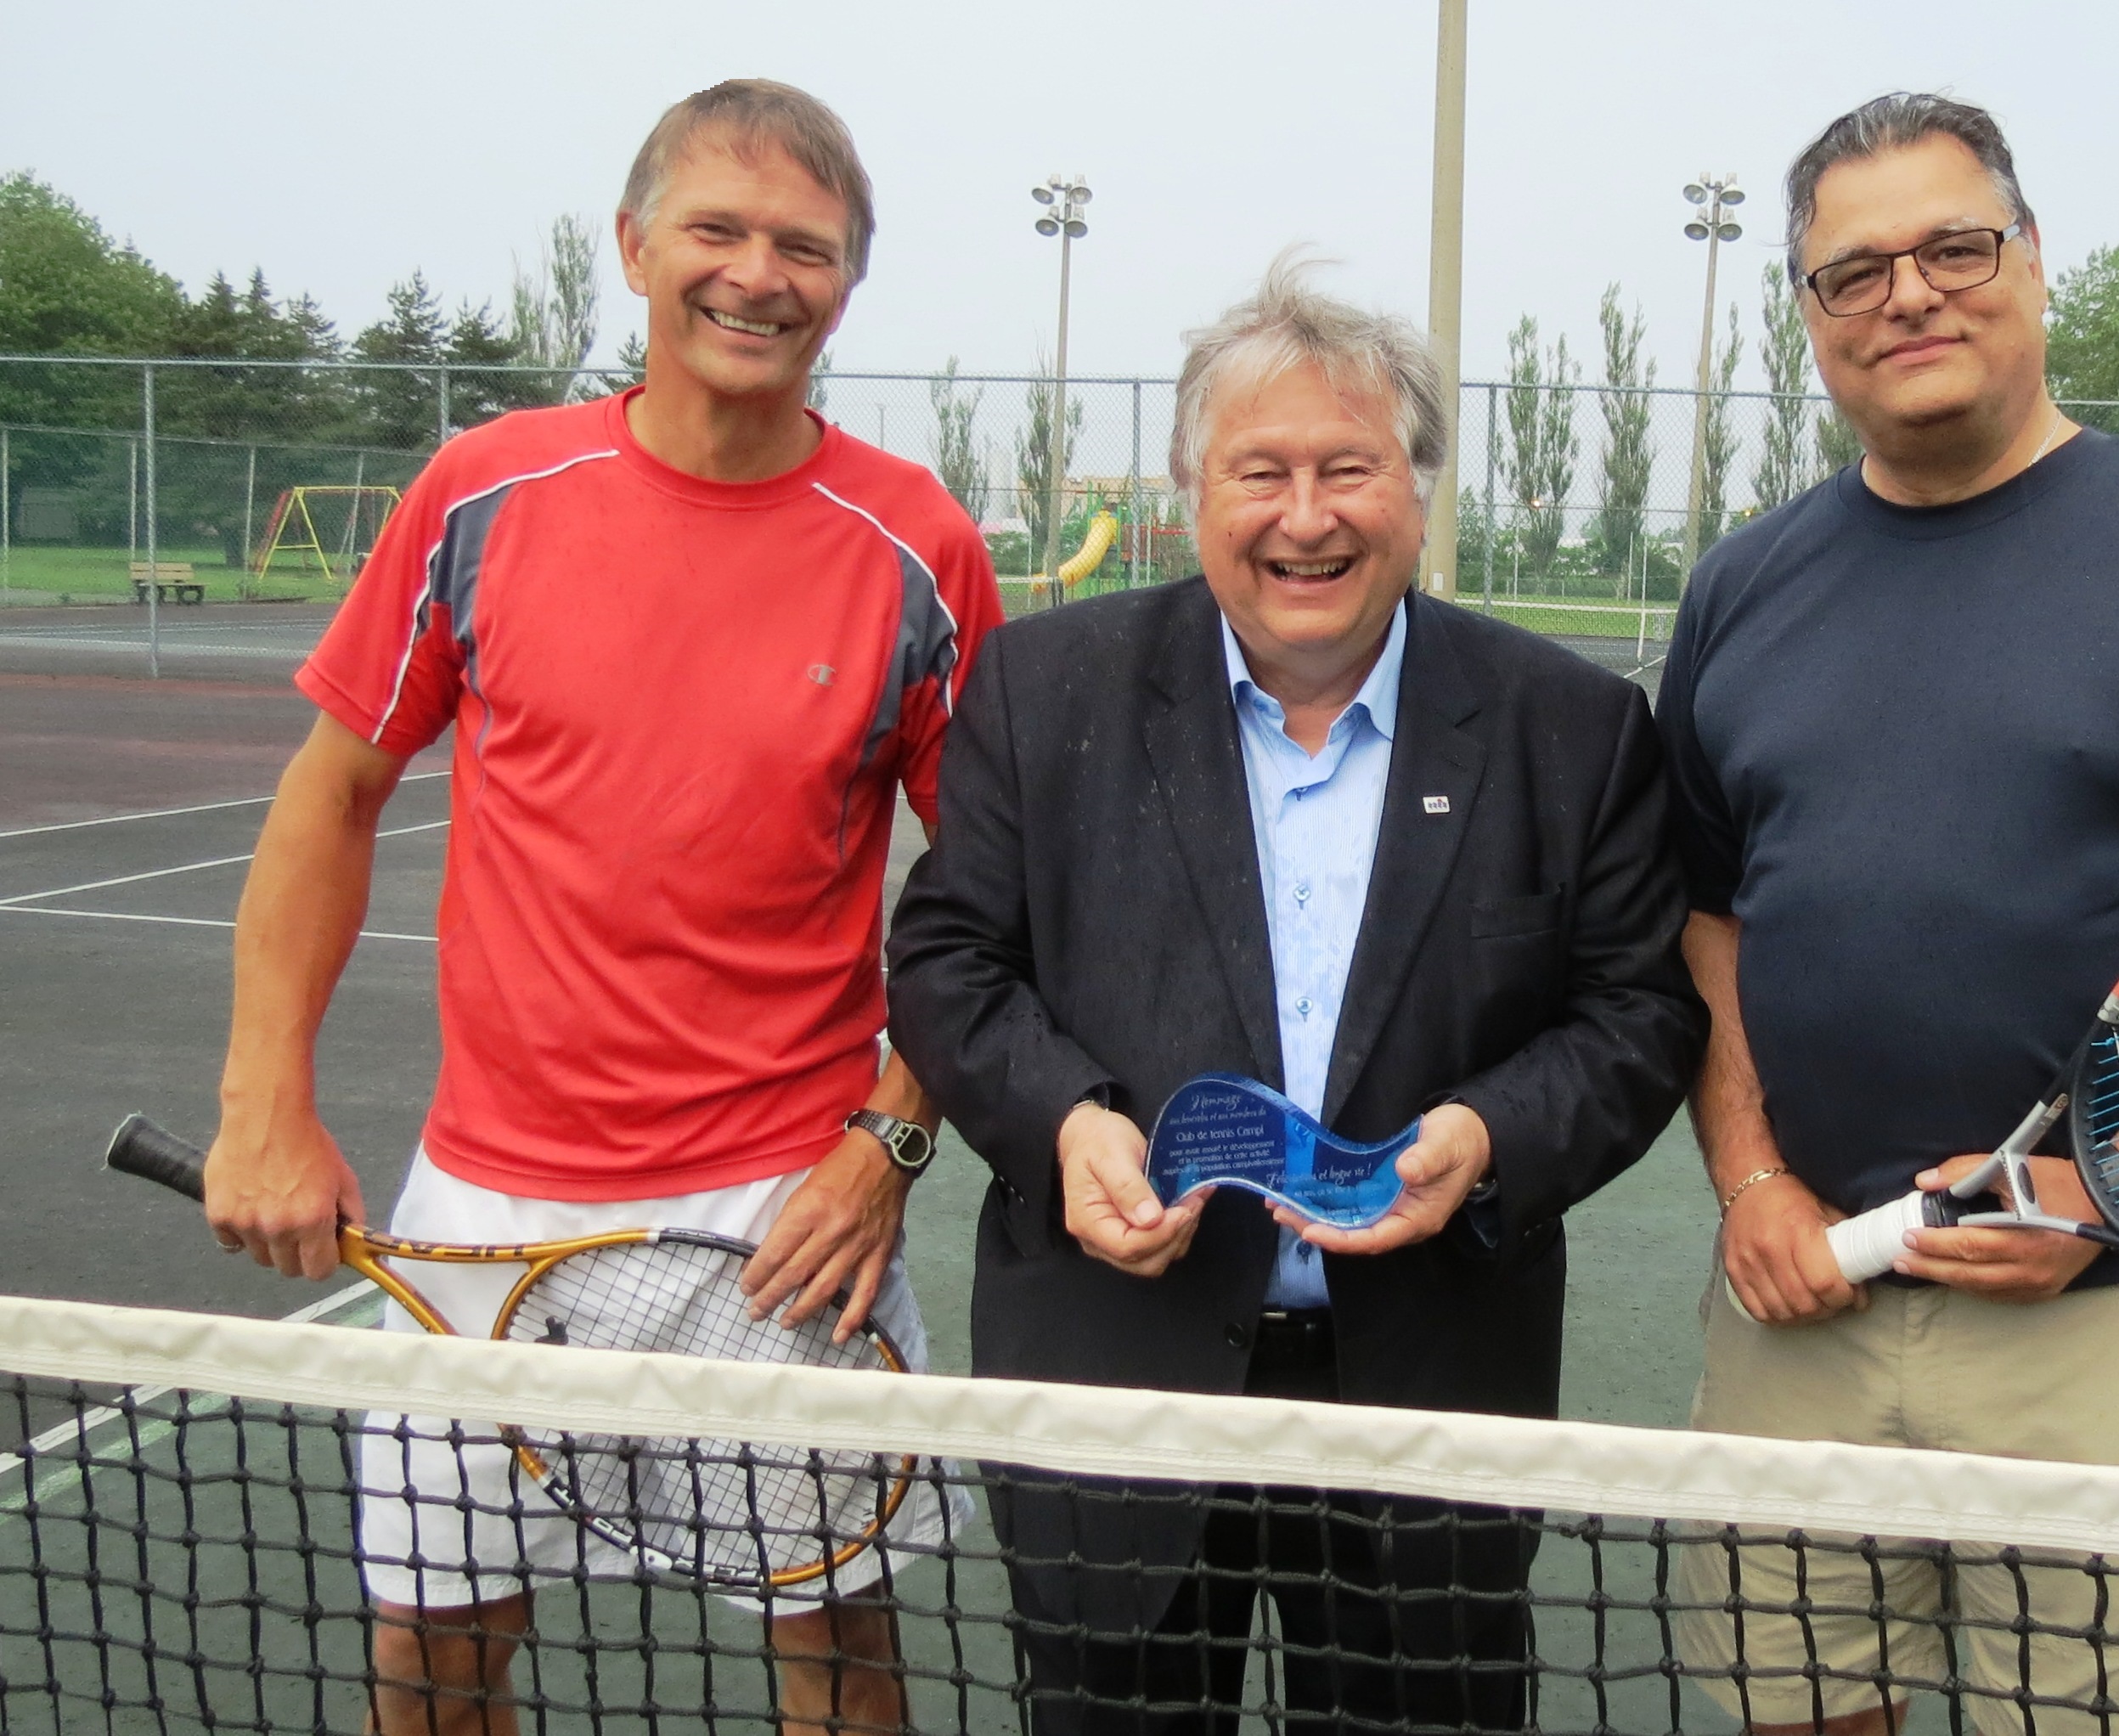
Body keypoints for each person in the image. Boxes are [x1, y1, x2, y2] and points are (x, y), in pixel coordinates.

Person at [200, 79, 1001, 1736]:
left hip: (786, 1217)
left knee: (838, 1666)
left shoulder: (915, 544)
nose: (756, 274)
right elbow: (328, 795)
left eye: (806, 246)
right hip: (475, 1212)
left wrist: (890, 1139)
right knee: (430, 1662)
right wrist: (261, 1106)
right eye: (715, 229)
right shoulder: (481, 493)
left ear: (847, 282)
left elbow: (987, 886)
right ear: (633, 247)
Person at [1656, 93, 2119, 1736]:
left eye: (1954, 245)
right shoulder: (1737, 587)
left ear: (2033, 265)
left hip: (2106, 1329)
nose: (1908, 295)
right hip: (1806, 1317)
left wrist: (2117, 1183)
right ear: (1808, 317)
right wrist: (1750, 1178)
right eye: (1852, 272)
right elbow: (1703, 921)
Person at [884, 256, 1705, 1736]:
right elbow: (947, 959)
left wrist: (1488, 1136)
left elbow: (1636, 1012)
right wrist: (1065, 1123)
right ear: (1196, 494)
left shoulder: (1569, 728)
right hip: (1113, 1397)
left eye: (1350, 467)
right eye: (1260, 470)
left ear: (1417, 490)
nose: (1306, 516)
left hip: (1428, 1401)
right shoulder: (1039, 689)